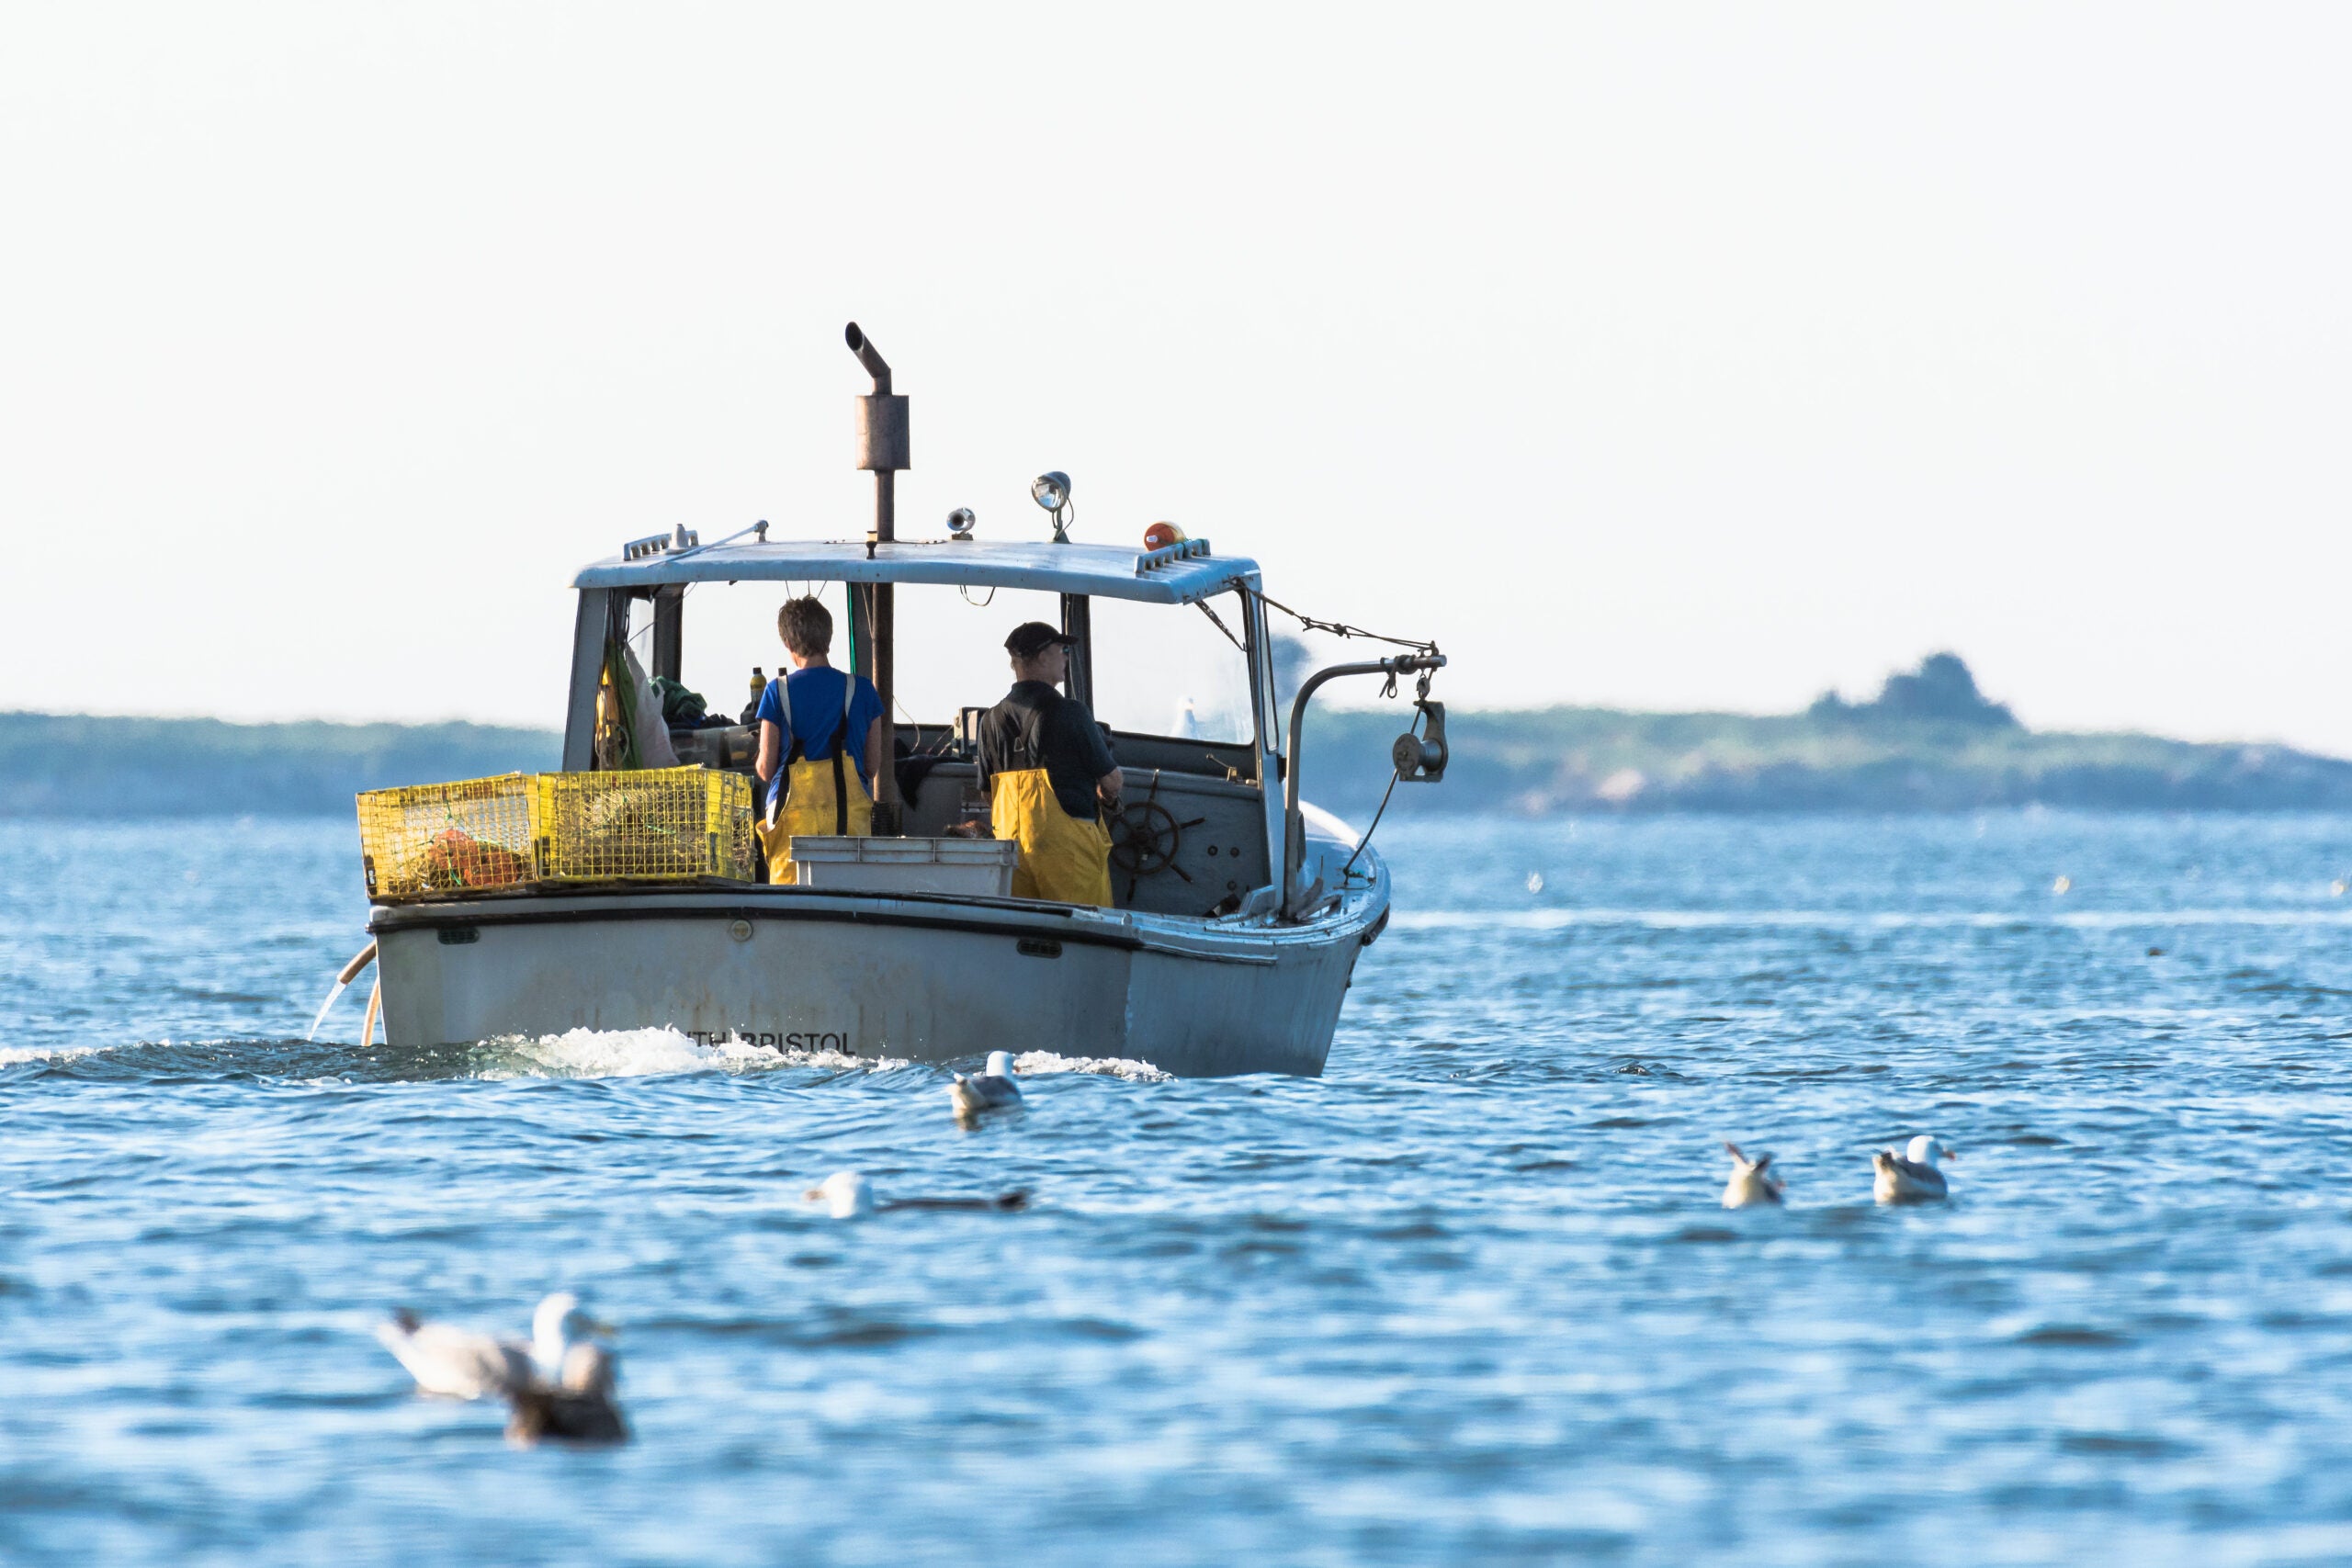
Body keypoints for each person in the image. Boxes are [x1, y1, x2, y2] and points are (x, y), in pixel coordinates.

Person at [978, 622, 1124, 907]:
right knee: (1086, 932)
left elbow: (988, 794)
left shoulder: (990, 720)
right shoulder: (1071, 712)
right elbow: (1111, 782)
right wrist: (1106, 796)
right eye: (1062, 650)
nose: (1067, 658)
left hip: (1011, 848)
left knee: (1021, 933)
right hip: (1066, 852)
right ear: (1043, 656)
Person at [754, 596, 886, 885]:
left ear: (788, 643)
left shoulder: (777, 692)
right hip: (848, 823)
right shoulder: (862, 690)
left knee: (792, 911)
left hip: (793, 830)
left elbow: (766, 769)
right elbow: (871, 766)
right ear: (828, 637)